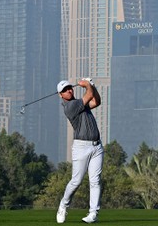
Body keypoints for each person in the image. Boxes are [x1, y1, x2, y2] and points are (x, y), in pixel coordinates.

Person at [56, 78, 103, 224]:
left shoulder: (81, 104)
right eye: (65, 90)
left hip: (97, 146)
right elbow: (88, 96)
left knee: (95, 181)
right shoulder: (70, 106)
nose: (69, 90)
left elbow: (97, 101)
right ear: (60, 95)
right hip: (81, 147)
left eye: (69, 88)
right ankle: (63, 205)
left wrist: (92, 86)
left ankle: (93, 213)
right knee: (76, 181)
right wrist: (88, 85)